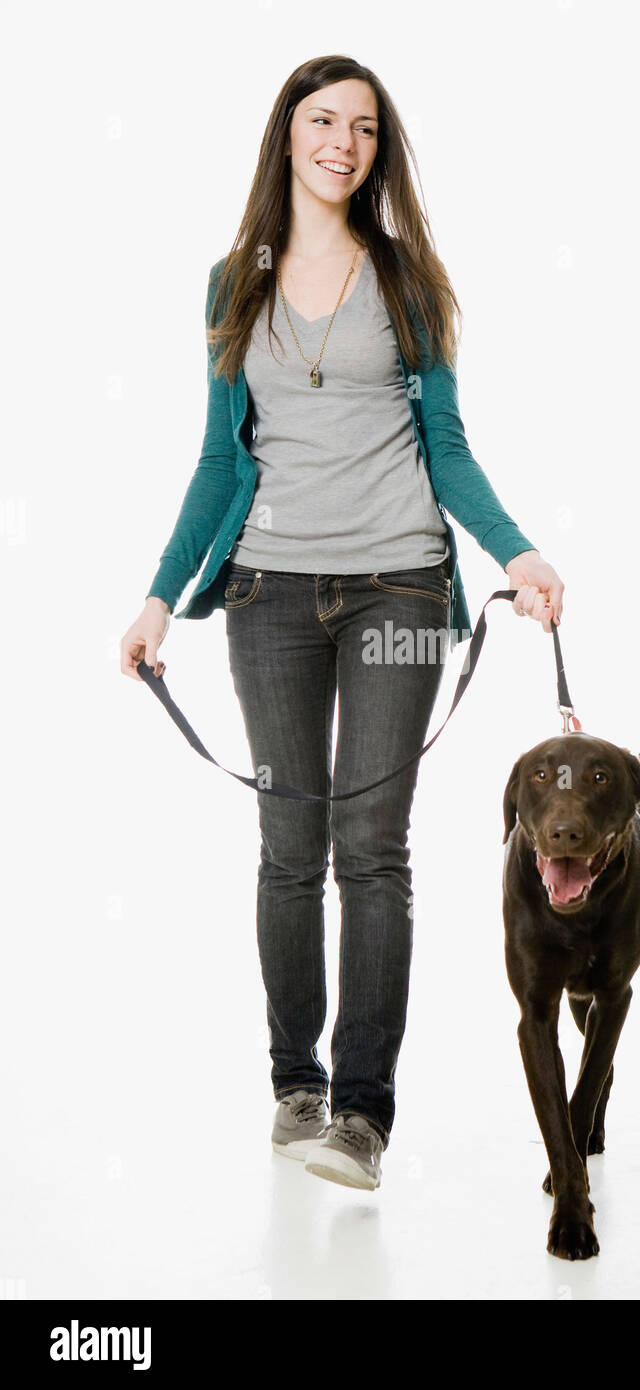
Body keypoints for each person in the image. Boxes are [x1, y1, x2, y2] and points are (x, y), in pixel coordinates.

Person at [120, 55, 564, 1192]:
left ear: (378, 150)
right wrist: (162, 595)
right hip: (267, 593)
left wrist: (514, 549)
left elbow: (445, 447)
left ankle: (361, 1112)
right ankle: (294, 1083)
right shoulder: (235, 283)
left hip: (399, 590)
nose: (342, 141)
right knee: (288, 850)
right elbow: (221, 462)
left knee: (372, 853)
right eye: (322, 120)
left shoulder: (409, 279)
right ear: (287, 138)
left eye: (364, 127)